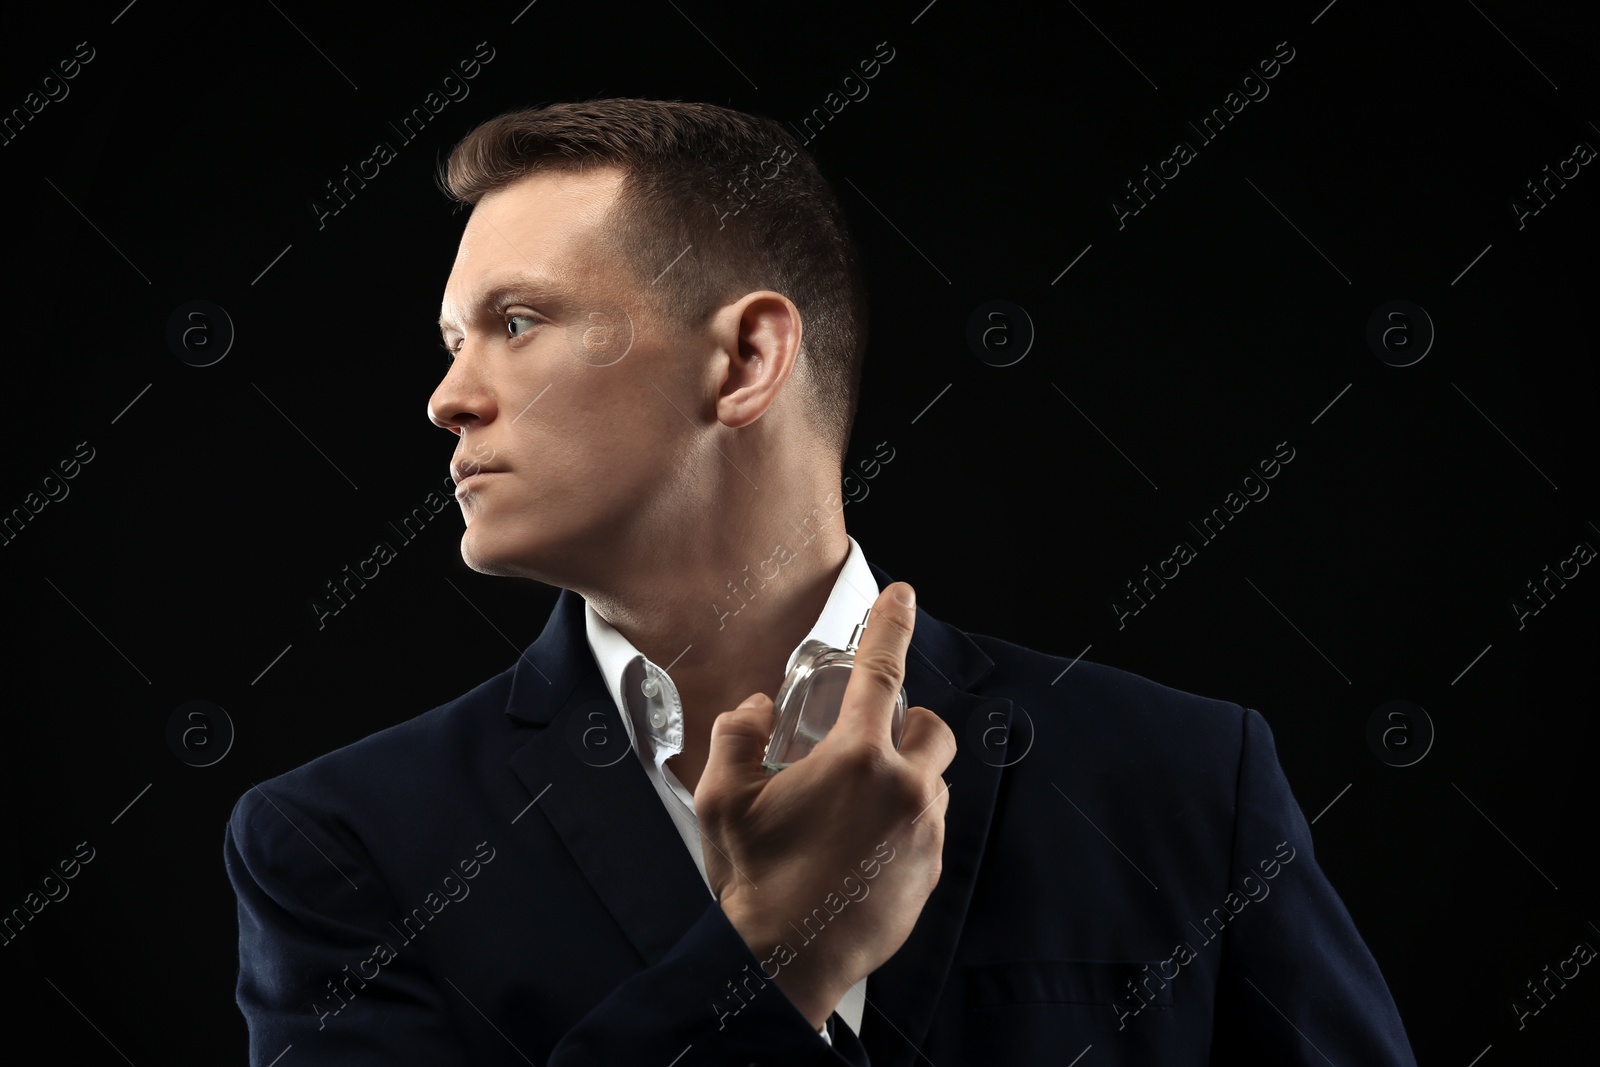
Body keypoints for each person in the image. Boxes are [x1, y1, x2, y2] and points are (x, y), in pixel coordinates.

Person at [225, 97, 1418, 1065]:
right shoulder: (345, 848)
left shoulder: (1186, 784)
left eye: (518, 322)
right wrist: (776, 951)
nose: (449, 398)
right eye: (451, 341)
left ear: (746, 356)